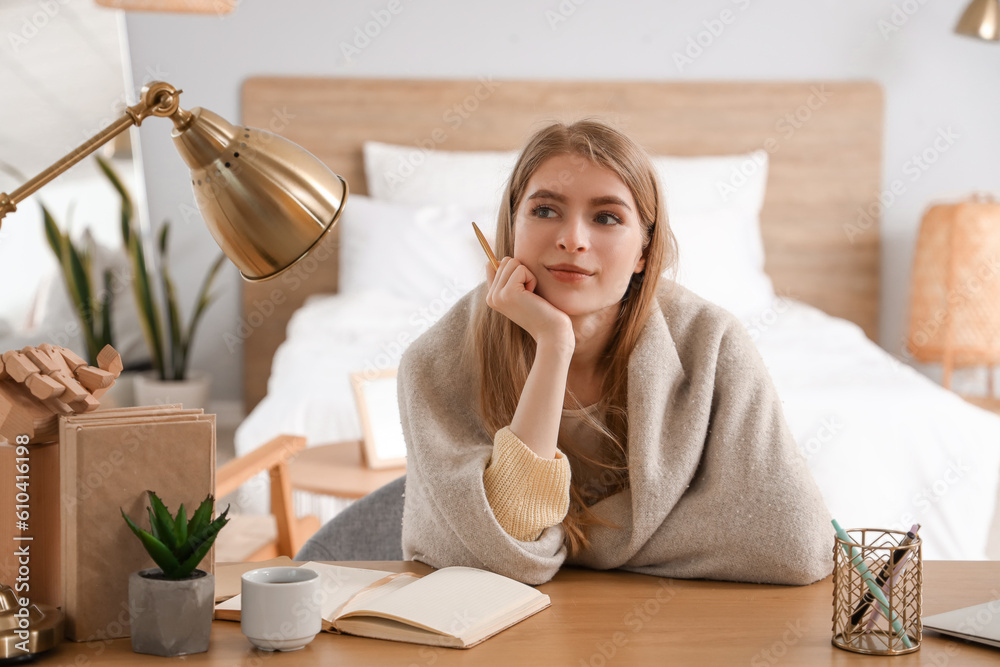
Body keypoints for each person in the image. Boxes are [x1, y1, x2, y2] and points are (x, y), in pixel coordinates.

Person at [397, 119, 833, 586]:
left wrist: (563, 543)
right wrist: (553, 344)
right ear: (511, 227)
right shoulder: (434, 365)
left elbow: (794, 545)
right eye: (545, 210)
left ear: (645, 251)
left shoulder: (712, 344)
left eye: (606, 218)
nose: (573, 239)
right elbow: (501, 557)